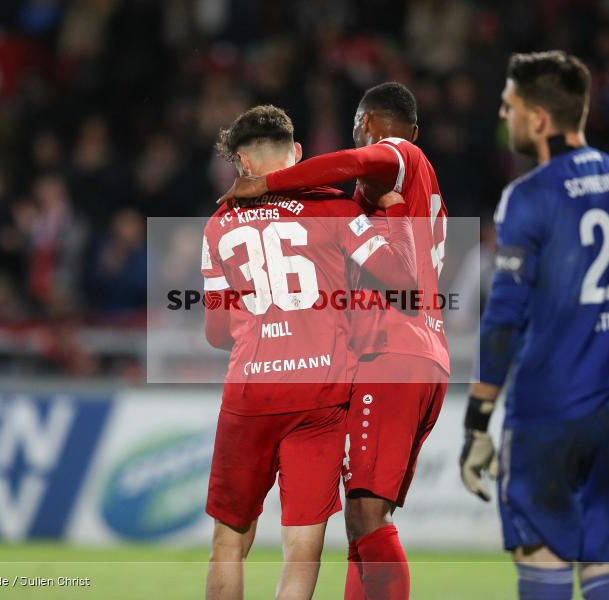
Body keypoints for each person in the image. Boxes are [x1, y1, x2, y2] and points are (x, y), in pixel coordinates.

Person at [458, 51, 609, 600]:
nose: (502, 116)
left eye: (509, 107)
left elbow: (503, 320)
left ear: (537, 118)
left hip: (548, 414)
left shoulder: (528, 197)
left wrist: (478, 419)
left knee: (545, 570)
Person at [219, 82, 449, 600]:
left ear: (366, 123)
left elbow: (348, 163)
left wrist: (269, 184)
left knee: (366, 518)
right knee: (366, 521)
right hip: (423, 357)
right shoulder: (408, 199)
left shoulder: (399, 155)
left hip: (391, 356)